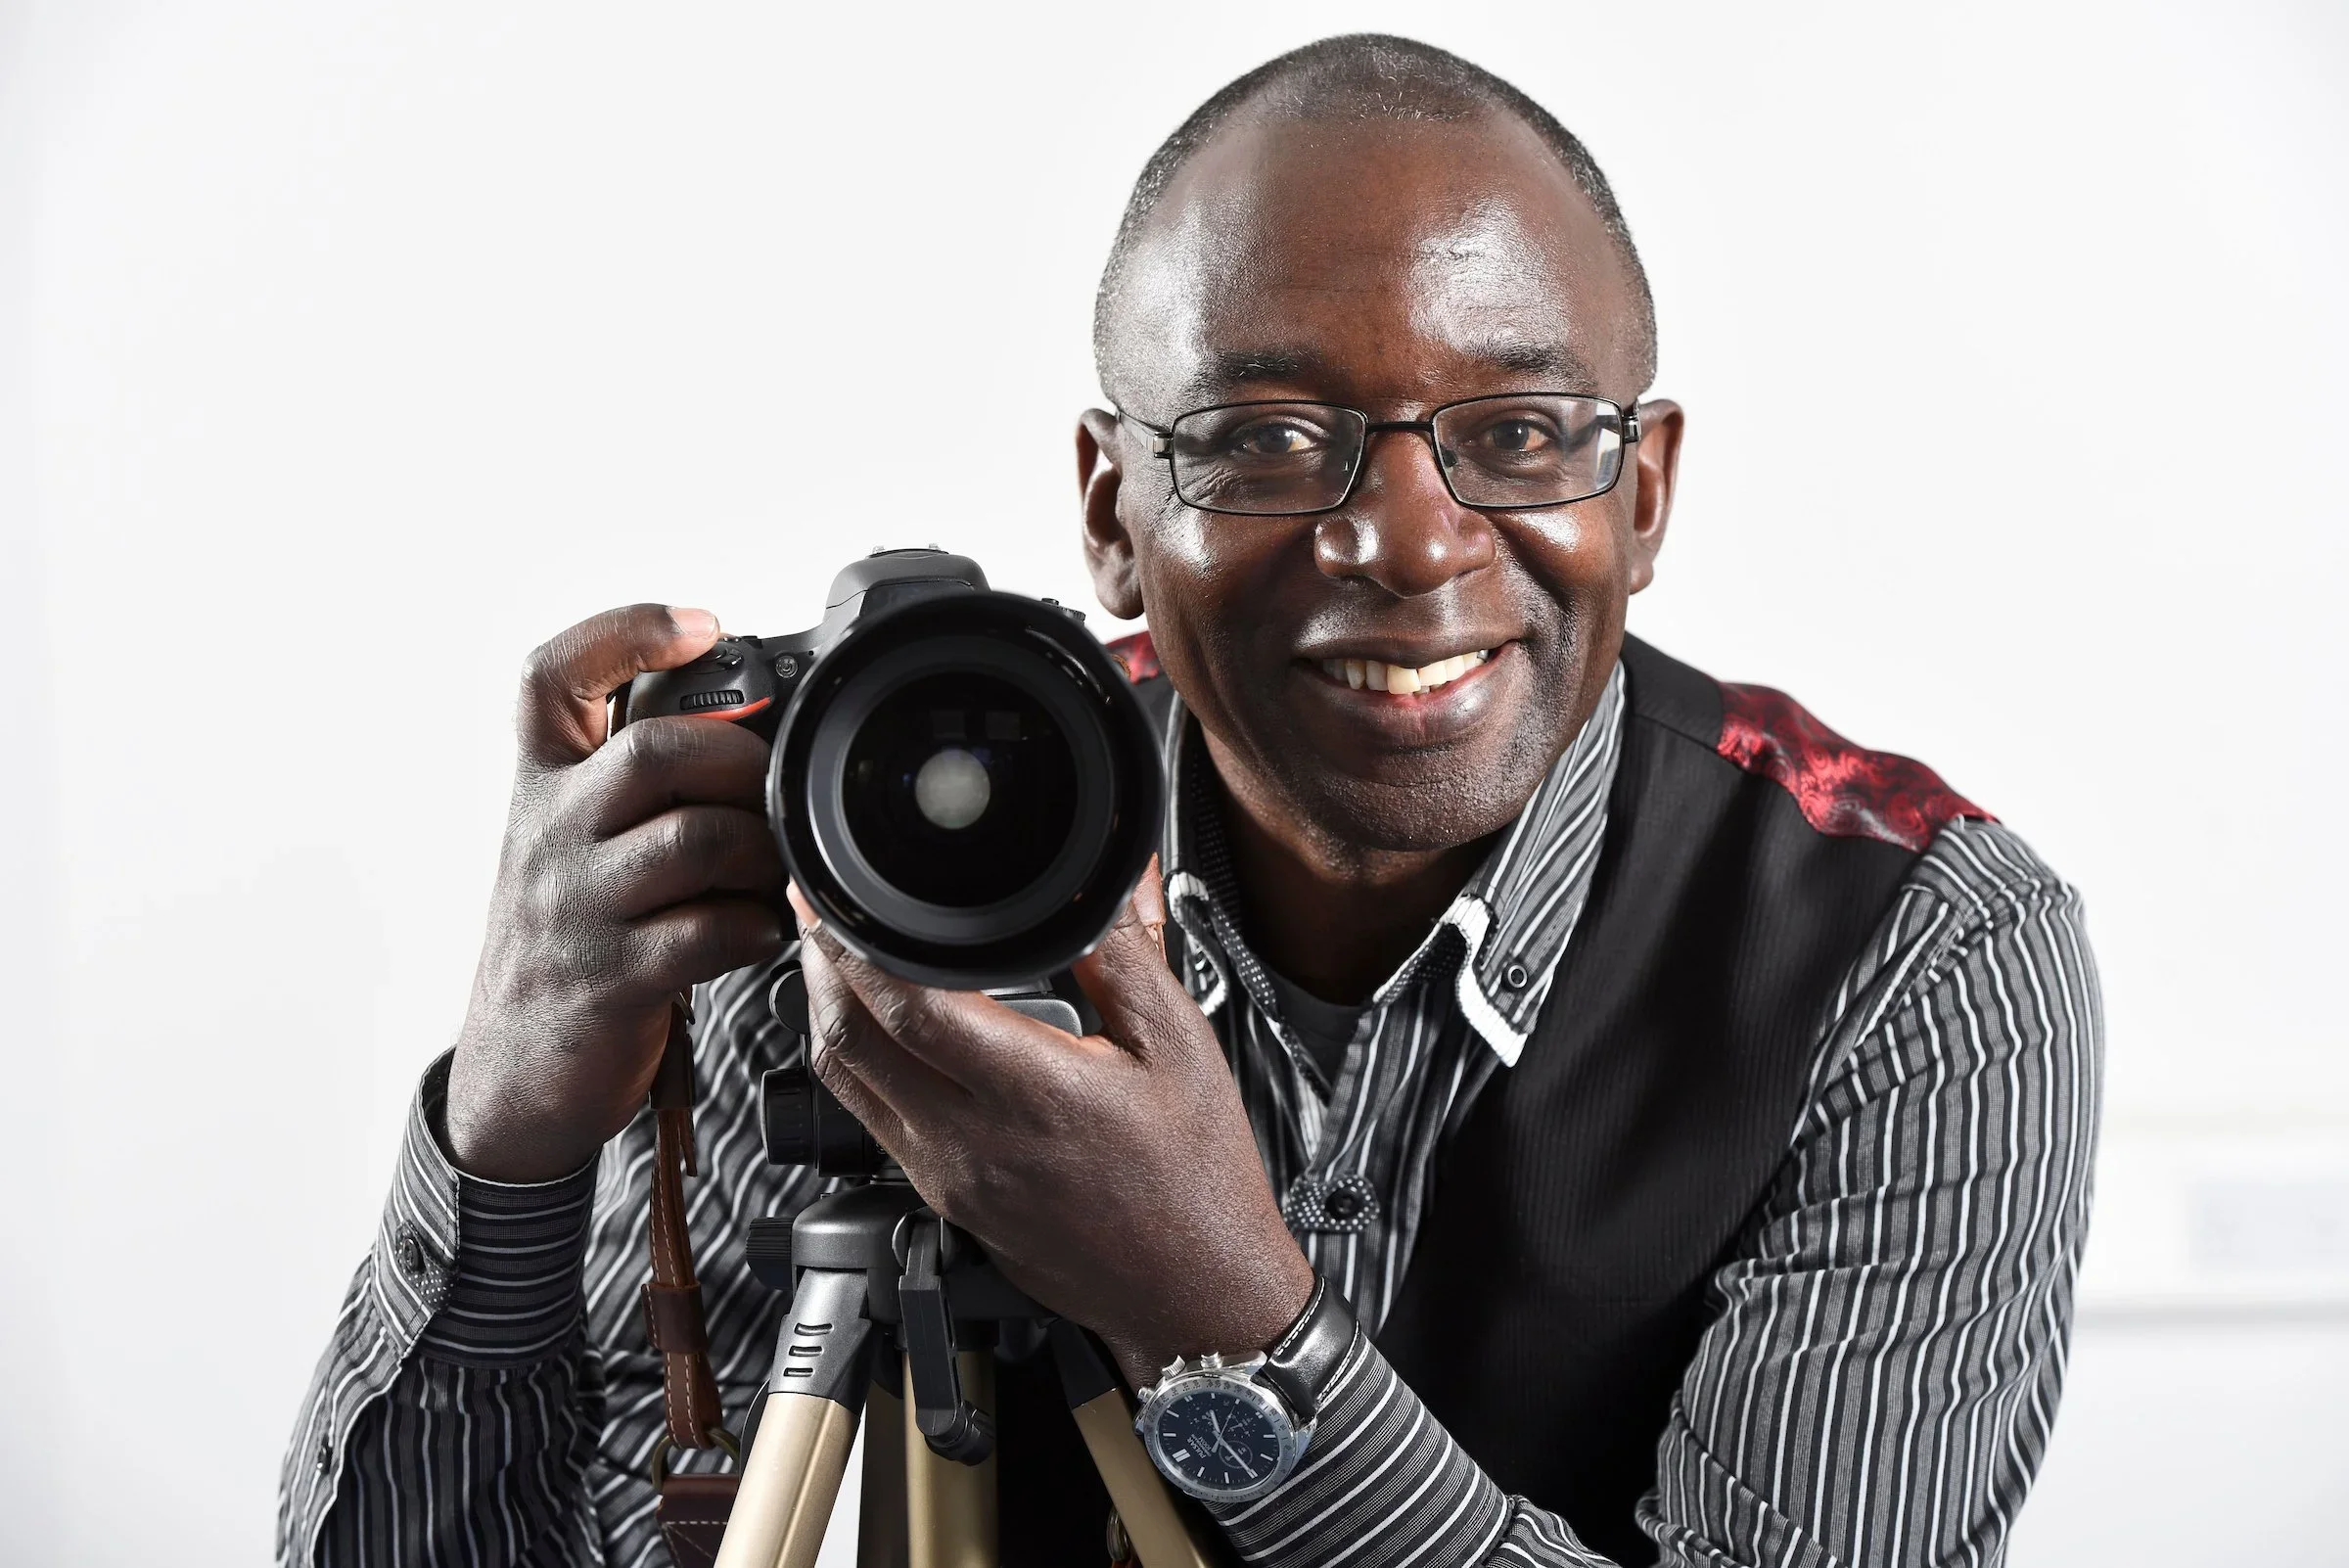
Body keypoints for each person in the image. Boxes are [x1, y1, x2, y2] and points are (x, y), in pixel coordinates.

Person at [279, 33, 2100, 1568]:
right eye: (1262, 439)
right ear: (1107, 513)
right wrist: (510, 1137)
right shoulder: (891, 874)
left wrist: (1226, 1322)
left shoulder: (1911, 959)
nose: (1403, 538)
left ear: (1647, 492)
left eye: (1525, 431)